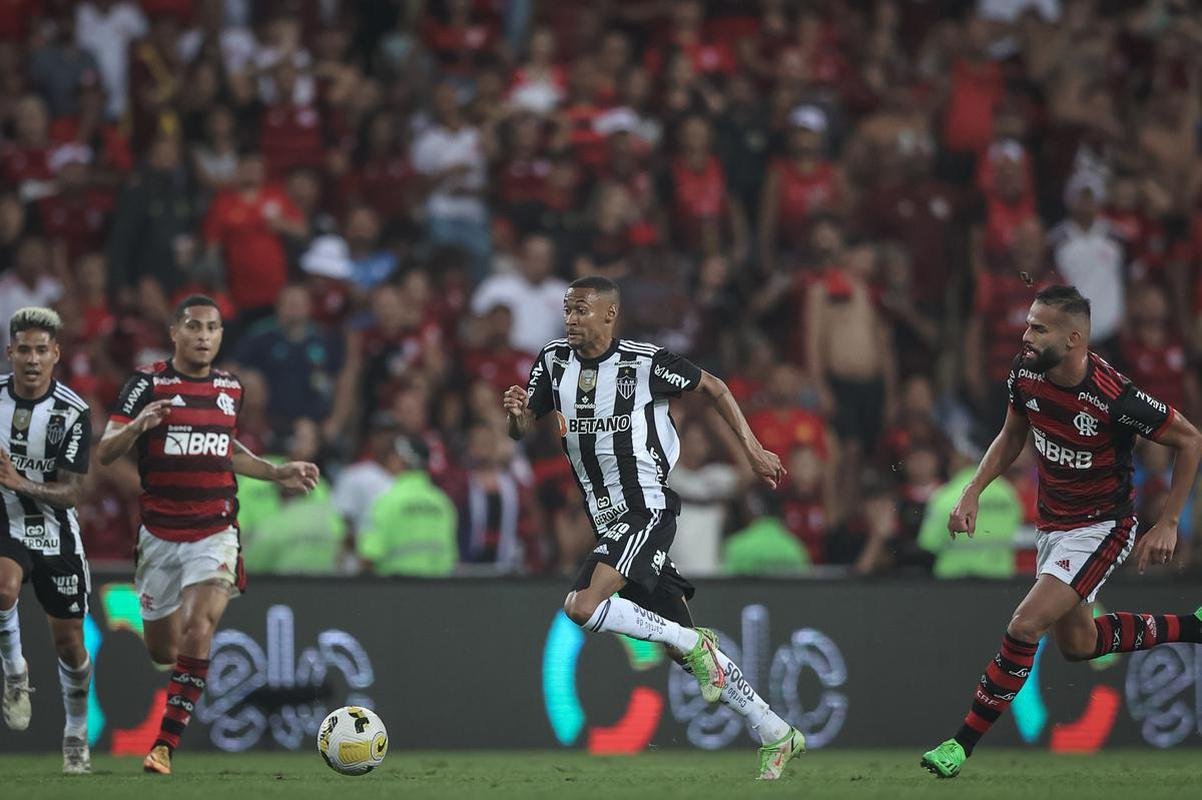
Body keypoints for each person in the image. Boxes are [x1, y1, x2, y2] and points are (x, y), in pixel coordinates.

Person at [503, 275, 805, 781]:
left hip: (646, 507)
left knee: (582, 605)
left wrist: (752, 450)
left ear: (609, 315)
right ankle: (775, 730)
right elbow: (521, 427)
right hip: (606, 518)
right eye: (567, 310)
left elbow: (715, 387)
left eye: (581, 310)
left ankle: (693, 644)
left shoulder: (643, 362)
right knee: (678, 644)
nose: (572, 319)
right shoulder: (553, 362)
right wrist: (514, 416)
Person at [921, 285, 1202, 778]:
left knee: (1024, 625)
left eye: (1038, 327)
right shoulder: (1026, 372)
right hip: (1053, 524)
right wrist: (973, 490)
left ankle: (960, 743)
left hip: (1102, 527)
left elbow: (1190, 439)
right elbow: (1012, 434)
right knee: (1078, 645)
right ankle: (1194, 627)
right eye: (1028, 324)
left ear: (1073, 339)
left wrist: (1170, 520)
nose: (1026, 335)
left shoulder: (1115, 396)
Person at [96, 295, 319, 775]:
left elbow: (227, 449)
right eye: (194, 327)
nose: (203, 336)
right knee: (163, 650)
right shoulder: (147, 383)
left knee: (201, 627)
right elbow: (106, 452)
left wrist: (277, 472)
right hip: (159, 534)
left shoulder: (230, 388)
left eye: (212, 328)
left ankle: (164, 746)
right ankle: (179, 684)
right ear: (175, 332)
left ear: (221, 336)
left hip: (215, 529)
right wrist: (138, 426)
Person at [0, 308, 94, 774]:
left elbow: (74, 491)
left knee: (70, 646)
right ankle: (15, 670)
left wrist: (22, 483)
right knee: (2, 588)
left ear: (56, 354)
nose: (32, 359)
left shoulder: (73, 411)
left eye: (41, 350)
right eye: (24, 350)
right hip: (5, 519)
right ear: (10, 352)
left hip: (55, 529)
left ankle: (75, 731)